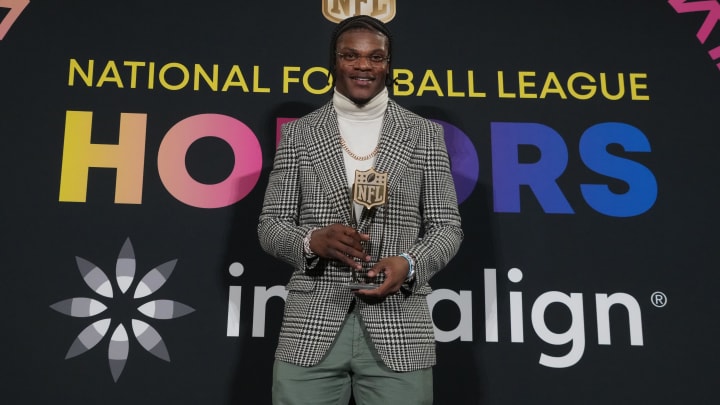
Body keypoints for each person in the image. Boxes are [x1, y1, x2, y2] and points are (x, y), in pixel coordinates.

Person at [258, 14, 463, 405]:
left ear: (389, 65)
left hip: (399, 324)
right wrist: (311, 240)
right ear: (333, 62)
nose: (363, 65)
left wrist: (408, 263)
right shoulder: (300, 134)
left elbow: (446, 227)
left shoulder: (423, 134)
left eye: (376, 57)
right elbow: (271, 226)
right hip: (312, 326)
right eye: (351, 55)